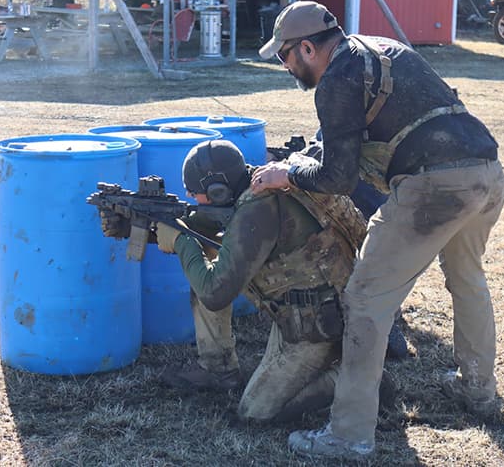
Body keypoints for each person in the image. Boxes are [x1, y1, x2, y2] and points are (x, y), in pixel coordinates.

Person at [251, 0, 504, 459]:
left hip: (434, 186)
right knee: (468, 282)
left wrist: (284, 175)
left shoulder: (335, 81)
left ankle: (348, 435)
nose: (286, 67)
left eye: (285, 57)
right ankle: (477, 390)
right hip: (486, 173)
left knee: (365, 299)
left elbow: (337, 179)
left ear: (306, 48)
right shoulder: (377, 48)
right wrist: (298, 158)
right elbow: (336, 141)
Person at [101, 139, 402, 422]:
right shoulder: (260, 184)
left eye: (194, 191)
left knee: (256, 412)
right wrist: (142, 229)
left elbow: (215, 293)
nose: (191, 197)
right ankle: (218, 369)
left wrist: (181, 243)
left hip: (319, 327)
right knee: (205, 251)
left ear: (219, 190)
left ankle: (359, 379)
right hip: (313, 308)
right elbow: (207, 225)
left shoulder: (257, 210)